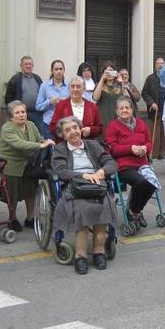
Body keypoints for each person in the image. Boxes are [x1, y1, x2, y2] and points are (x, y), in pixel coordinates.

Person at [51, 116, 119, 275]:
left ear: (80, 128)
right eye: (67, 130)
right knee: (81, 209)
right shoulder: (60, 149)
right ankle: (80, 256)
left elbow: (111, 163)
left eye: (75, 127)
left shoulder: (93, 145)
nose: (73, 132)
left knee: (103, 204)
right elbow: (61, 170)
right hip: (74, 187)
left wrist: (102, 171)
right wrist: (82, 176)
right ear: (63, 134)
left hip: (96, 185)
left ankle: (98, 251)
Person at [0, 101, 54, 231]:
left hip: (30, 165)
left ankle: (30, 218)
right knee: (13, 196)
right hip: (12, 166)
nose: (21, 115)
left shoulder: (30, 124)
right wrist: (39, 146)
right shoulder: (7, 128)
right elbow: (19, 144)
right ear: (11, 116)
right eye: (17, 112)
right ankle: (12, 219)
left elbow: (38, 138)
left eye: (23, 112)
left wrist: (44, 141)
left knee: (31, 193)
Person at [105, 97, 158, 228]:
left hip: (142, 163)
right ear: (117, 111)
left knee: (152, 183)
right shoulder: (112, 126)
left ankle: (134, 211)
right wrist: (131, 148)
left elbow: (149, 142)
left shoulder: (140, 123)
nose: (124, 110)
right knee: (140, 182)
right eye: (121, 108)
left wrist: (145, 148)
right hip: (123, 165)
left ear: (132, 109)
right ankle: (135, 212)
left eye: (127, 107)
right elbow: (112, 148)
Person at [49, 76, 103, 143]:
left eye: (78, 86)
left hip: (87, 146)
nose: (75, 89)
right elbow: (53, 128)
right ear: (69, 89)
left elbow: (100, 128)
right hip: (66, 146)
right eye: (72, 86)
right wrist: (67, 132)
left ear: (84, 89)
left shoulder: (92, 107)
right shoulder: (61, 106)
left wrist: (91, 130)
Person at [5, 56, 44, 135]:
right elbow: (8, 98)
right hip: (21, 114)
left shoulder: (37, 78)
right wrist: (13, 113)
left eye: (30, 64)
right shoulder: (15, 79)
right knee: (22, 134)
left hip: (37, 114)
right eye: (26, 64)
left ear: (33, 66)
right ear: (21, 66)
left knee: (37, 134)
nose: (28, 66)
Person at [35, 60, 70, 139]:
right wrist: (49, 102)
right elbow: (38, 107)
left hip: (65, 123)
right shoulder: (44, 86)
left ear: (64, 70)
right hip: (48, 123)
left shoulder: (69, 86)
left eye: (61, 69)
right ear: (52, 71)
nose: (58, 71)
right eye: (56, 69)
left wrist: (65, 102)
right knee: (51, 148)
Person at [141, 57, 165, 159]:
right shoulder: (150, 78)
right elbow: (145, 92)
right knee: (154, 134)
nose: (160, 65)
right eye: (158, 64)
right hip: (154, 110)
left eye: (162, 64)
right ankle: (154, 153)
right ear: (155, 66)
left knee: (164, 134)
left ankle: (162, 153)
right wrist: (151, 103)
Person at [93, 63, 124, 129]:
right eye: (107, 72)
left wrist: (122, 82)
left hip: (116, 117)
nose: (109, 73)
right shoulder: (99, 85)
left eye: (111, 71)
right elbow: (95, 98)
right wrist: (102, 78)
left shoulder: (119, 86)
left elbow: (127, 98)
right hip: (103, 118)